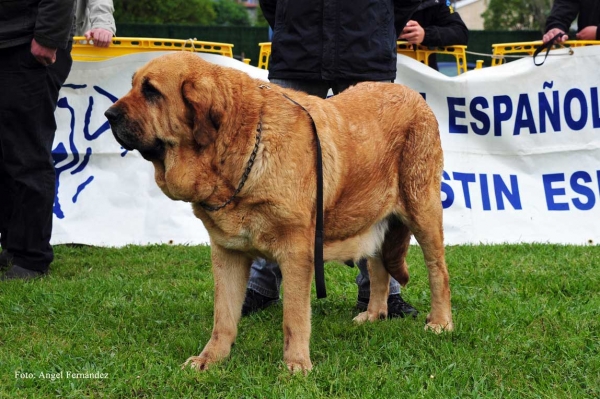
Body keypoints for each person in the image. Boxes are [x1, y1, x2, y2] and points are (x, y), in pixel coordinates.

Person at [242, 0, 423, 318]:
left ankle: (381, 293)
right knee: (273, 178)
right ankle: (262, 284)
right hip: (299, 55)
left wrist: (377, 24)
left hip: (365, 54)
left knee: (374, 175)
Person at [0, 0, 77, 279]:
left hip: (28, 44)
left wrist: (48, 37)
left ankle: (32, 256)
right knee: (7, 153)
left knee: (27, 152)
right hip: (9, 37)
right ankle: (13, 246)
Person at [399, 0, 469, 71]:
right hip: (391, 72)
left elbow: (461, 32)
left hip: (424, 74)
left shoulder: (438, 2)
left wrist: (425, 34)